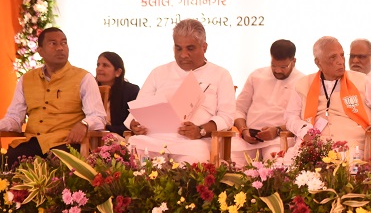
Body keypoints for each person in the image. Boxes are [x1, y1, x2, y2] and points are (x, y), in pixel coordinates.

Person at [127, 19, 236, 163]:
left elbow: (226, 117)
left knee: (191, 163)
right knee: (133, 151)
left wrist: (201, 130)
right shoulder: (159, 72)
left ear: (204, 47)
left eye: (190, 48)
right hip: (153, 140)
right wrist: (134, 124)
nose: (183, 55)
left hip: (193, 143)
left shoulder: (220, 74)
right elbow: (137, 110)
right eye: (178, 49)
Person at [1, 28, 106, 162]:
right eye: (53, 43)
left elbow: (98, 117)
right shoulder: (26, 79)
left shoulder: (84, 78)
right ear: (40, 51)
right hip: (33, 142)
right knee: (6, 161)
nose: (60, 48)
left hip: (66, 143)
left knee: (59, 161)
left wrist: (84, 124)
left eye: (64, 43)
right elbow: (14, 118)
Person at [285, 37, 371, 152]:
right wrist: (304, 130)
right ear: (318, 62)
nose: (340, 61)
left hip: (353, 149)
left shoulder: (362, 81)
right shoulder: (302, 84)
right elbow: (290, 117)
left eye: (342, 55)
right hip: (311, 149)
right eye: (333, 57)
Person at [231, 39, 304, 161]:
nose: (278, 70)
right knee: (227, 164)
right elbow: (239, 109)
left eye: (283, 67)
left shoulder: (302, 82)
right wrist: (243, 130)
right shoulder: (256, 75)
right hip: (248, 139)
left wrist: (277, 131)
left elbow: (303, 120)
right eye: (273, 65)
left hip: (279, 140)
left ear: (294, 61)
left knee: (274, 164)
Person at [96, 51, 140, 135]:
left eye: (105, 65)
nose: (99, 68)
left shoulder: (131, 91)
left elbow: (130, 125)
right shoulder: (90, 89)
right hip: (92, 136)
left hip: (121, 138)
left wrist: (104, 128)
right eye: (98, 65)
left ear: (118, 72)